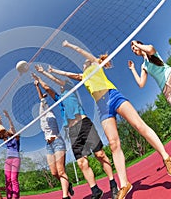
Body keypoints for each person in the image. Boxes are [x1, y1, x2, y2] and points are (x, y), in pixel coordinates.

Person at [54, 40, 171, 199]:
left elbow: (81, 51)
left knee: (139, 126)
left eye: (86, 61)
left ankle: (165, 156)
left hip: (113, 96)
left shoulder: (94, 64)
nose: (84, 62)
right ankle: (124, 183)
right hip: (102, 107)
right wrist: (53, 71)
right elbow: (67, 75)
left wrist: (69, 45)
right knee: (113, 144)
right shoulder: (83, 76)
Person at [32, 69, 118, 199]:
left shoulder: (70, 90)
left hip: (84, 124)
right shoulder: (59, 98)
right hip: (72, 131)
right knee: (82, 163)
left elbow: (56, 81)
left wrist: (45, 72)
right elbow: (47, 88)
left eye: (61, 84)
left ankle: (113, 183)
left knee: (100, 154)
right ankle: (95, 190)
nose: (59, 86)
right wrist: (39, 79)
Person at [34, 79, 74, 199]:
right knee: (54, 173)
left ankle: (65, 196)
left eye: (43, 104)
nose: (42, 106)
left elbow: (42, 98)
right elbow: (41, 100)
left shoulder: (50, 113)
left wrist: (37, 86)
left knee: (61, 171)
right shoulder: (41, 117)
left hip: (57, 142)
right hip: (48, 145)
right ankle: (68, 184)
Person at [129, 40, 171, 118]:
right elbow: (141, 84)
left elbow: (150, 50)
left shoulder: (150, 49)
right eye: (132, 50)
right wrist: (133, 69)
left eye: (134, 47)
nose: (134, 50)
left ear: (139, 44)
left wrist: (136, 44)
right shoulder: (144, 66)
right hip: (166, 89)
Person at [0, 110, 21, 199]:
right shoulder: (6, 140)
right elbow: (2, 131)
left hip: (15, 159)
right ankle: (9, 196)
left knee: (13, 179)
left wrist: (8, 117)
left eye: (11, 130)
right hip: (8, 160)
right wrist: (0, 121)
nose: (9, 129)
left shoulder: (16, 138)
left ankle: (15, 197)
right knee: (7, 180)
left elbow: (12, 127)